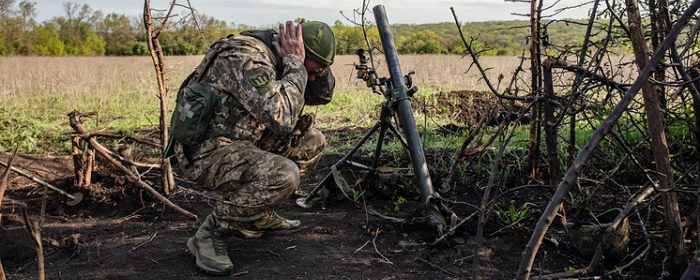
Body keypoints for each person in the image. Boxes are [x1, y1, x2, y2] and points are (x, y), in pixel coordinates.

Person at [171, 20, 336, 275]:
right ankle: (211, 232)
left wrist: (315, 70)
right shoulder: (246, 57)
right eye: (310, 71)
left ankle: (257, 215)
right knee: (283, 174)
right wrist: (294, 63)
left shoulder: (282, 58)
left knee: (312, 141)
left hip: (242, 140)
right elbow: (282, 118)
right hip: (207, 150)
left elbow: (321, 96)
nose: (310, 77)